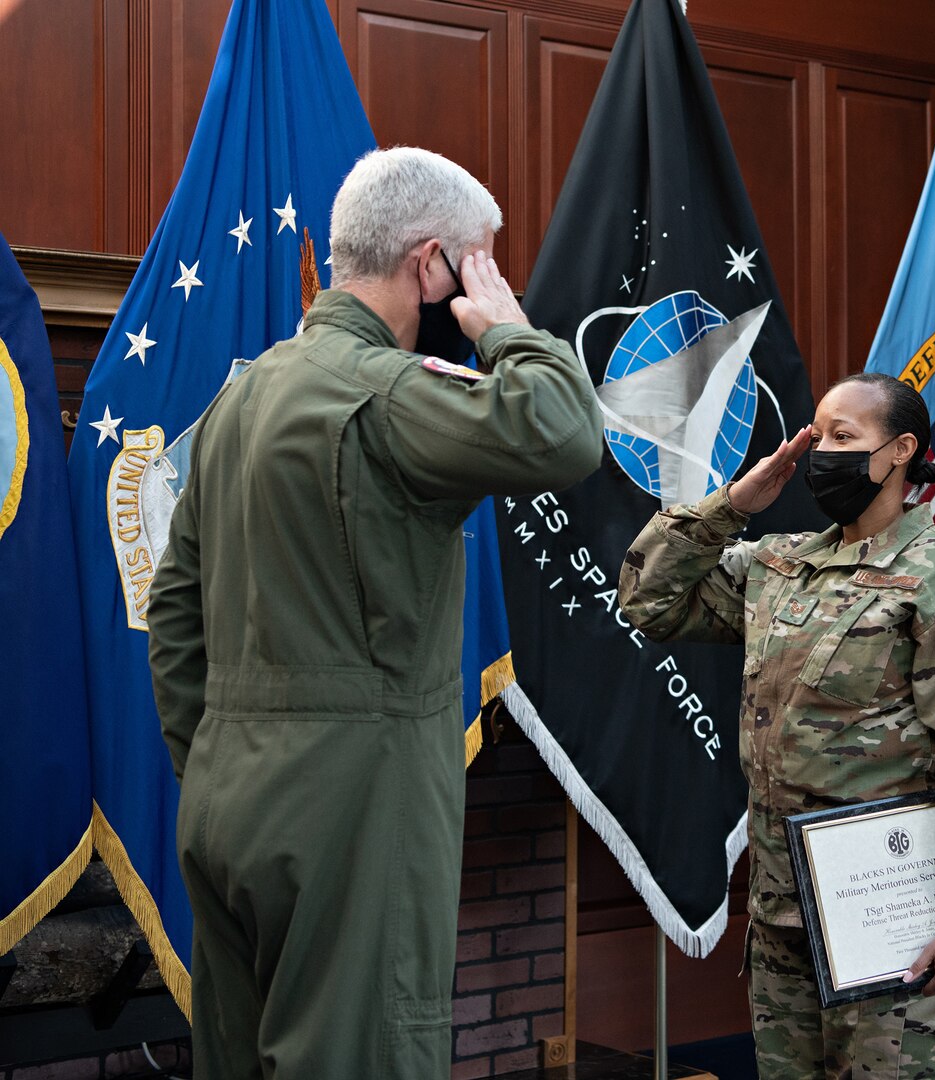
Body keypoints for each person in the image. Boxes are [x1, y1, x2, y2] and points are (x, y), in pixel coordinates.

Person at [146, 146, 603, 1077]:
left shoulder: (242, 396)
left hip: (225, 794)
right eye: (476, 264)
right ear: (429, 265)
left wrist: (225, 753)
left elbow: (175, 613)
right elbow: (563, 430)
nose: (483, 285)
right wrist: (508, 328)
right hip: (352, 804)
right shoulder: (388, 393)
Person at [619, 372, 935, 1079]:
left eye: (844, 438)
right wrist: (732, 505)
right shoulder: (781, 566)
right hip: (785, 920)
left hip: (897, 926)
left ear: (902, 450)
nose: (822, 452)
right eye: (818, 435)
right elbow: (647, 598)